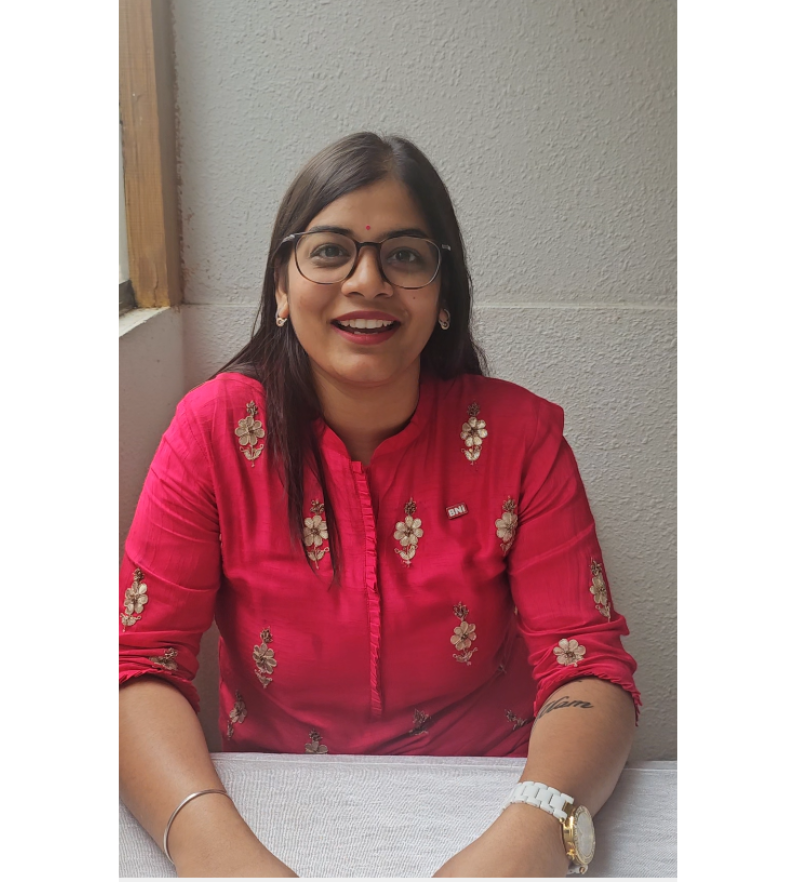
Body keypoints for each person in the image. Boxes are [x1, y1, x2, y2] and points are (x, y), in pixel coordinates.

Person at [119, 132, 640, 878]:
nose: (367, 281)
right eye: (331, 251)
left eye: (405, 256)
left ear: (445, 295)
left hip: (494, 805)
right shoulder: (213, 434)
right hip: (271, 813)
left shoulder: (521, 438)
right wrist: (218, 856)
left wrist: (528, 840)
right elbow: (139, 663)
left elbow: (587, 665)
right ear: (280, 288)